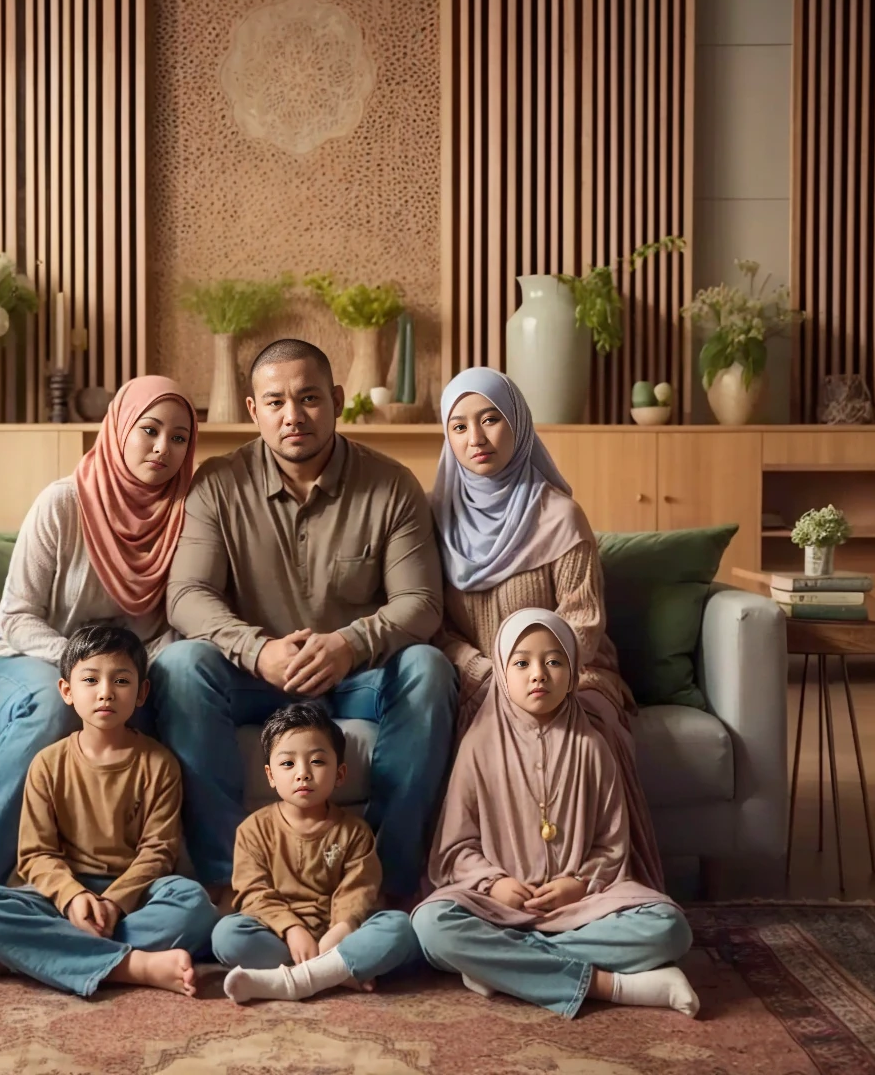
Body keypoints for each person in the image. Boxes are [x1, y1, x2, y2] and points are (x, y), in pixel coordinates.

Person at [154, 338, 454, 901]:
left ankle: (382, 884)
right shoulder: (218, 484)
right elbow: (187, 595)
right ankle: (229, 881)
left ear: (337, 400)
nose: (293, 416)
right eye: (275, 402)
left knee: (428, 668)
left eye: (309, 398)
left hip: (354, 677)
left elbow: (421, 602)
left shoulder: (390, 485)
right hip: (254, 678)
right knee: (180, 663)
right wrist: (257, 649)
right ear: (253, 410)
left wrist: (348, 643)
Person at [0, 376, 199, 961]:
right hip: (26, 664)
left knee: (169, 686)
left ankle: (85, 921)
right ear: (119, 429)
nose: (161, 449)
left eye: (178, 438)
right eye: (149, 431)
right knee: (52, 703)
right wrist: (84, 671)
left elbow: (178, 621)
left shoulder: (184, 518)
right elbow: (16, 617)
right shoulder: (64, 502)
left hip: (122, 675)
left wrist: (130, 672)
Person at [432, 366, 663, 889]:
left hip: (569, 673)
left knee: (591, 727)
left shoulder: (560, 516)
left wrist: (531, 674)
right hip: (478, 677)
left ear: (518, 423)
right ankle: (493, 885)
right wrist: (483, 668)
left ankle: (591, 882)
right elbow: (434, 624)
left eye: (490, 420)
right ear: (446, 437)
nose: (477, 438)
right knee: (451, 730)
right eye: (460, 426)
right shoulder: (435, 521)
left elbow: (583, 619)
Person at [410, 608, 699, 1019]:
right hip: (499, 909)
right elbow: (456, 848)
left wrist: (578, 884)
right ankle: (614, 986)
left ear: (574, 670)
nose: (538, 674)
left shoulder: (592, 745)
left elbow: (612, 845)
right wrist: (494, 885)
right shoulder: (478, 745)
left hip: (582, 909)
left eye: (554, 661)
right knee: (431, 926)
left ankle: (499, 966)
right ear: (503, 674)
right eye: (522, 662)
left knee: (669, 929)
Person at [0, 623, 217, 996]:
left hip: (133, 900)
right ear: (67, 691)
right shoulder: (47, 763)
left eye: (121, 682)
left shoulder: (159, 763)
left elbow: (159, 853)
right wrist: (73, 897)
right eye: (90, 680)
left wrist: (113, 903)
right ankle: (133, 966)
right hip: (61, 898)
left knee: (194, 905)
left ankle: (23, 957)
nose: (105, 693)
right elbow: (36, 854)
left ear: (141, 693)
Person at [213, 702, 422, 1003]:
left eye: (317, 762)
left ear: (340, 773)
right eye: (288, 764)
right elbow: (252, 891)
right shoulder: (253, 830)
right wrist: (292, 928)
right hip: (280, 935)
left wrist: (342, 928)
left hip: (338, 937)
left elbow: (359, 889)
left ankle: (300, 978)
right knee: (226, 935)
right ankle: (335, 973)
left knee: (399, 928)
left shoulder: (354, 831)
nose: (303, 774)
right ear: (270, 776)